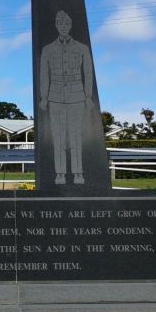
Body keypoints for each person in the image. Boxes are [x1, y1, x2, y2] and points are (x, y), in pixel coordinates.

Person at [39, 10, 94, 185]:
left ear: (70, 25)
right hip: (55, 97)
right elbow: (44, 75)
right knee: (59, 136)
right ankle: (60, 173)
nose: (63, 27)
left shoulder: (81, 48)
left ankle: (78, 172)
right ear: (56, 25)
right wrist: (44, 97)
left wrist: (88, 95)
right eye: (60, 24)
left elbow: (88, 73)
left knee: (76, 136)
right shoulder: (47, 49)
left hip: (77, 96)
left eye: (66, 24)